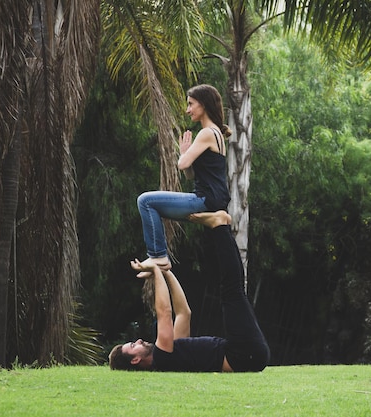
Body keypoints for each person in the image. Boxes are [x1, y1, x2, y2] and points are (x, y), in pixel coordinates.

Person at [108, 210, 270, 372]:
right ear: (136, 360)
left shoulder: (171, 354)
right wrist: (156, 271)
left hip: (246, 355)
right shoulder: (161, 358)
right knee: (232, 291)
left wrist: (166, 272)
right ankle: (220, 226)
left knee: (233, 290)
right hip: (242, 355)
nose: (139, 341)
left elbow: (183, 313)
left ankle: (222, 226)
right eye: (133, 345)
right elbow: (164, 312)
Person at [137, 84, 231, 272]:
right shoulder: (216, 134)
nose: (187, 110)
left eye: (191, 104)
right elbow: (190, 174)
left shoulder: (206, 133)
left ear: (203, 105)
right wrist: (186, 153)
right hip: (213, 200)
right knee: (150, 203)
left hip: (205, 199)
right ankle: (158, 256)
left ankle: (158, 256)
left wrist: (183, 155)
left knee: (146, 201)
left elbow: (182, 164)